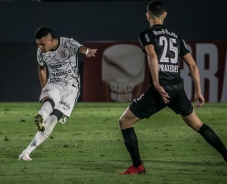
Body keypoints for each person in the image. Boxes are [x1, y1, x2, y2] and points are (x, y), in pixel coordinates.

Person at [118, 0, 227, 174]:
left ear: (148, 15)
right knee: (198, 124)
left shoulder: (146, 34)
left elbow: (152, 57)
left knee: (125, 121)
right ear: (165, 15)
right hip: (178, 90)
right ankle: (226, 155)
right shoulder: (177, 37)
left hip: (161, 91)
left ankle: (138, 166)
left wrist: (157, 84)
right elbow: (193, 66)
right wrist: (198, 91)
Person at [19, 26, 97, 161]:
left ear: (52, 40)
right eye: (37, 44)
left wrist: (88, 51)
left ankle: (26, 152)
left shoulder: (67, 43)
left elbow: (81, 48)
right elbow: (42, 68)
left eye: (42, 44)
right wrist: (44, 88)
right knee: (49, 99)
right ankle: (42, 115)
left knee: (54, 118)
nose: (40, 47)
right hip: (54, 83)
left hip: (71, 87)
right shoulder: (40, 52)